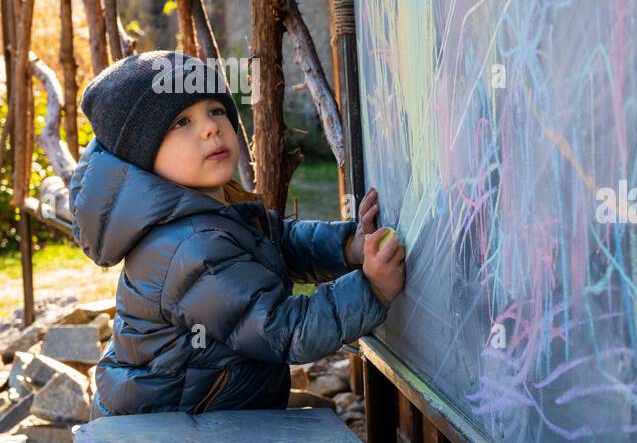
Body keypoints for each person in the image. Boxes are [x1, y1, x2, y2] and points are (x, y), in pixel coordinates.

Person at [66, 49, 406, 416]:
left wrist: (346, 247)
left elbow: (279, 242)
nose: (211, 127)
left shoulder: (207, 207)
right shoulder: (190, 247)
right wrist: (370, 290)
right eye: (180, 122)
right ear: (143, 157)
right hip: (170, 437)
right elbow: (281, 330)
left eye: (215, 110)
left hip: (199, 413)